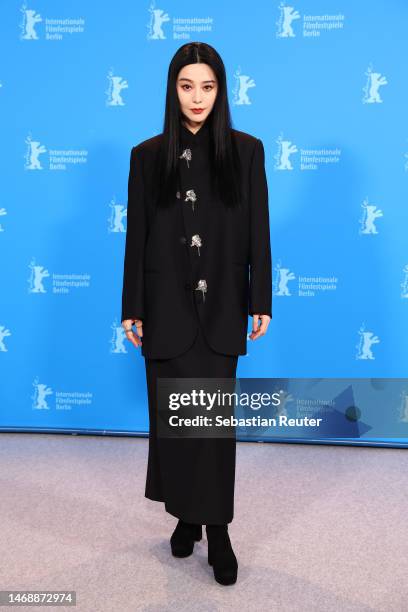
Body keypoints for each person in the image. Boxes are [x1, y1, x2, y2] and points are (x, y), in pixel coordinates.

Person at [121, 42, 272, 586]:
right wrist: (132, 307)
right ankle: (186, 516)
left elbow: (259, 229)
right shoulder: (145, 155)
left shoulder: (246, 151)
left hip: (223, 306)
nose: (197, 97)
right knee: (174, 422)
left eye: (207, 86)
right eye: (187, 86)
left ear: (221, 90)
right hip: (164, 308)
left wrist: (261, 299)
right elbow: (136, 237)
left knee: (209, 427)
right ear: (172, 89)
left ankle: (219, 530)